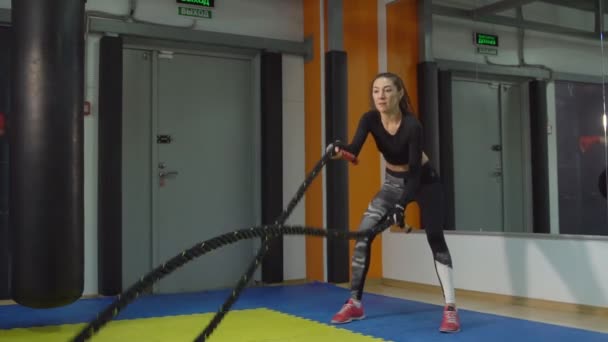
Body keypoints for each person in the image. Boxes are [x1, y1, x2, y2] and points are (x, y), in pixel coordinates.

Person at [328, 72, 460, 333]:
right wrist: (339, 150)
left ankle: (451, 309)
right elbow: (354, 149)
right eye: (376, 90)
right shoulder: (369, 119)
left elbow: (413, 173)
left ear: (399, 93)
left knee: (435, 236)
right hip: (391, 183)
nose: (381, 96)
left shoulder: (413, 126)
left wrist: (401, 205)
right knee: (363, 234)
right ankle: (355, 302)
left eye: (387, 90)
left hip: (424, 182)